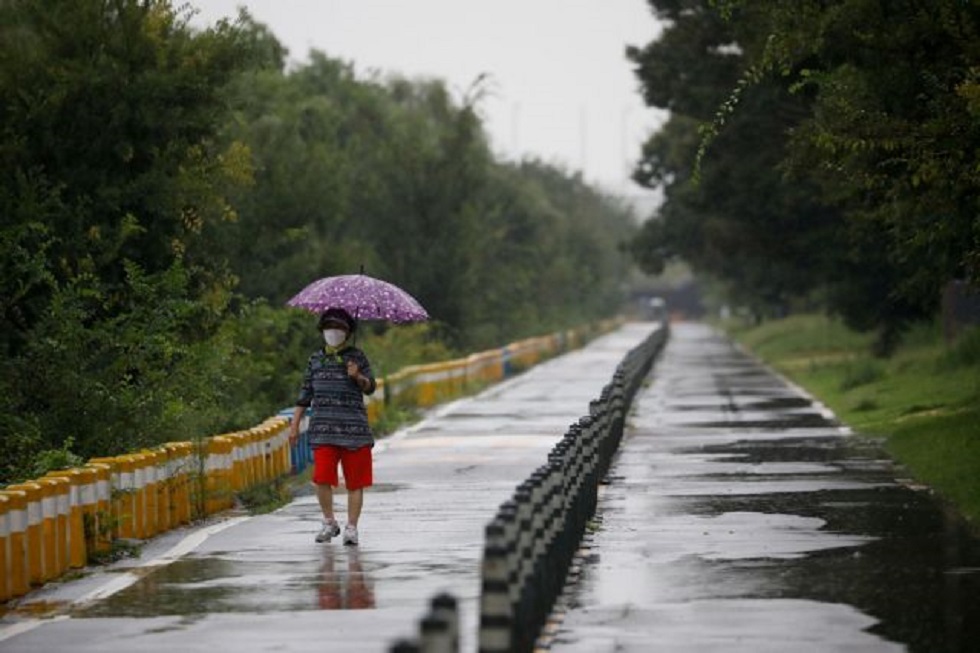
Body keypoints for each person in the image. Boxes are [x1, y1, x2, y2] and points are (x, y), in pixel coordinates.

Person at [288, 307, 377, 545]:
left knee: (356, 482)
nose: (333, 332)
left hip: (354, 431)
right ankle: (329, 522)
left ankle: (351, 527)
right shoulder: (315, 359)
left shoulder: (357, 357)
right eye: (329, 328)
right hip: (323, 429)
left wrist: (357, 376)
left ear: (348, 333)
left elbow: (371, 387)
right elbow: (304, 394)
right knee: (322, 478)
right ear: (321, 331)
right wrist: (294, 424)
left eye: (339, 328)